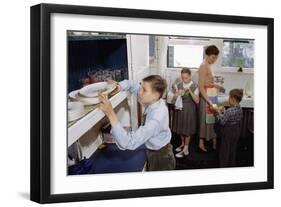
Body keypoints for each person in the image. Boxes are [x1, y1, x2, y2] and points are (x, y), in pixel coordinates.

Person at [98, 75, 176, 171]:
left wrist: (110, 114)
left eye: (144, 90)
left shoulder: (155, 120)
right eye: (141, 87)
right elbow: (133, 85)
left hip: (160, 157)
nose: (139, 91)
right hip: (156, 150)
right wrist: (119, 86)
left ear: (155, 95)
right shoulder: (155, 101)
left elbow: (129, 142)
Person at [198, 45, 221, 152]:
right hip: (206, 96)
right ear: (207, 55)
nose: (214, 60)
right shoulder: (203, 66)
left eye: (216, 58)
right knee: (204, 120)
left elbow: (208, 81)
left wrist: (215, 85)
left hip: (211, 94)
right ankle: (201, 143)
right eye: (213, 57)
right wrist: (209, 101)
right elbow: (201, 87)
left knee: (211, 119)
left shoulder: (208, 64)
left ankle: (212, 141)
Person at [172, 68, 199, 158]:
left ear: (190, 76)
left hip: (189, 110)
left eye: (186, 78)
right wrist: (177, 94)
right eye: (183, 78)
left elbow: (197, 101)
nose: (184, 80)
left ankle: (186, 148)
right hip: (180, 109)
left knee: (187, 130)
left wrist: (190, 91)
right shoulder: (179, 85)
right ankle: (183, 144)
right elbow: (174, 99)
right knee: (180, 129)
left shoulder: (194, 85)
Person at [215, 89, 243, 167]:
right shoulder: (240, 109)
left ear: (233, 99)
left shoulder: (229, 111)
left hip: (228, 132)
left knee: (225, 150)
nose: (228, 99)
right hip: (236, 130)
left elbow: (222, 122)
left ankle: (224, 165)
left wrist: (218, 113)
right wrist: (224, 111)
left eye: (229, 98)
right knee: (232, 149)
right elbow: (231, 117)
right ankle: (231, 164)